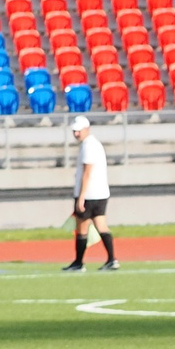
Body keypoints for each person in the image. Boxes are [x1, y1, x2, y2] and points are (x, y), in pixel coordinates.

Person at [62, 113, 116, 272]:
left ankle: (79, 262)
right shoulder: (94, 144)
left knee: (82, 229)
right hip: (100, 193)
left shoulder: (88, 145)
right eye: (74, 131)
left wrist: (81, 196)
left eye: (78, 130)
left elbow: (87, 172)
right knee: (101, 225)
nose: (76, 134)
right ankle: (112, 259)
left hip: (90, 194)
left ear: (87, 129)